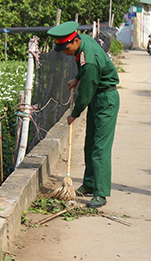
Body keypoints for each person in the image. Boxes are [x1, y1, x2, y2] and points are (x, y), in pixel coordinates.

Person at [48, 21, 120, 208]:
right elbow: (83, 72)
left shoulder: (90, 61)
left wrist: (74, 114)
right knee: (90, 143)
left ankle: (101, 193)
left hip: (106, 99)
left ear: (74, 41)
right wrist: (76, 78)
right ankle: (89, 183)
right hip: (98, 96)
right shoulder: (84, 41)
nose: (64, 52)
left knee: (100, 148)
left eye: (66, 48)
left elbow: (86, 93)